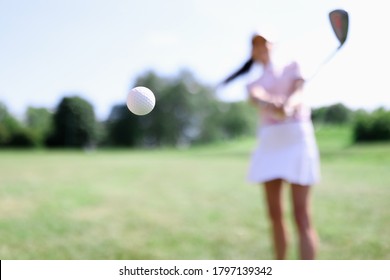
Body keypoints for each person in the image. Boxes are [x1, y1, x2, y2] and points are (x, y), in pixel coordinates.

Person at [222, 31, 320, 260]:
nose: (261, 47)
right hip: (271, 141)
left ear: (273, 45)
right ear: (253, 52)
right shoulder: (252, 82)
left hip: (297, 137)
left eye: (264, 43)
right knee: (275, 215)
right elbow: (257, 96)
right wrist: (272, 103)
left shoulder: (293, 65)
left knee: (301, 215)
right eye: (256, 45)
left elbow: (299, 93)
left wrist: (290, 105)